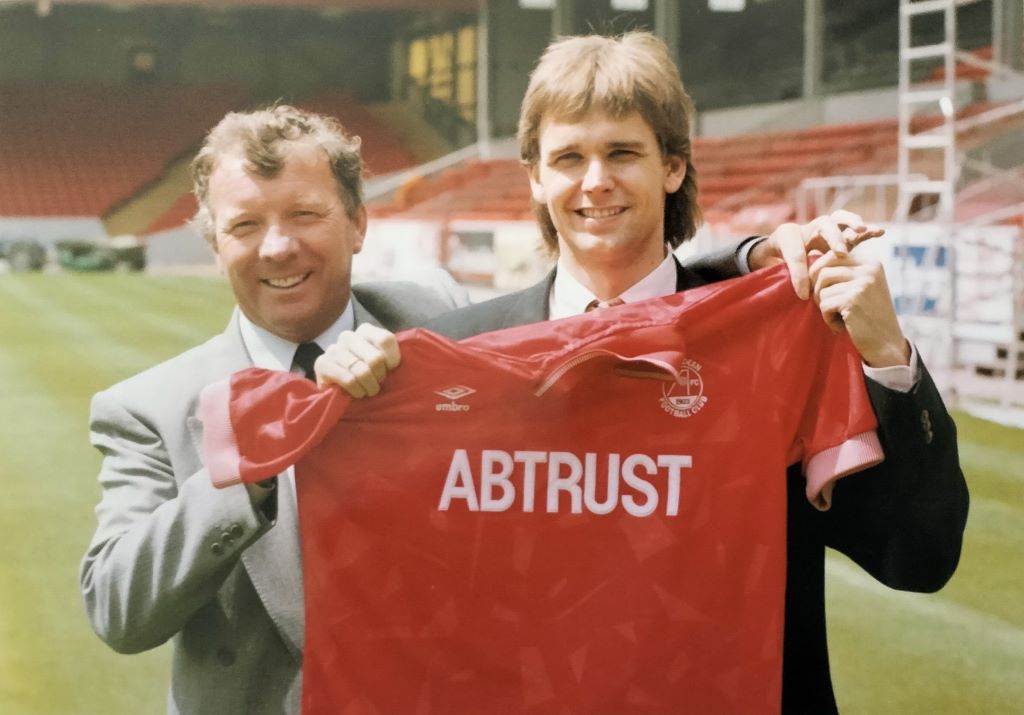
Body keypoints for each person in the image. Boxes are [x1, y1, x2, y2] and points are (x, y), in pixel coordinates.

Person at [318, 33, 968, 714]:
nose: (594, 179)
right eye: (569, 156)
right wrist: (345, 402)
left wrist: (888, 355)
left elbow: (917, 558)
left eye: (622, 152)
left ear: (673, 168)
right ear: (535, 177)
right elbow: (396, 592)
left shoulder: (775, 345)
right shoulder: (459, 357)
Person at [78, 105, 467, 715]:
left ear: (359, 224)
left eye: (305, 214)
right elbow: (116, 609)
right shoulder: (148, 408)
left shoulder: (440, 320)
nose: (278, 247)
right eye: (245, 226)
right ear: (215, 245)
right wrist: (245, 474)